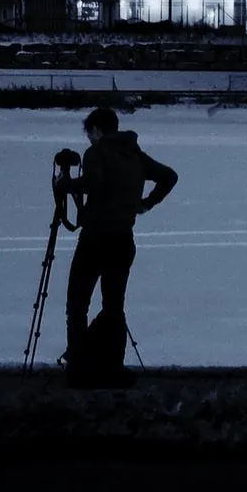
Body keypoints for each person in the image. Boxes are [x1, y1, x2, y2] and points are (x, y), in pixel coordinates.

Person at [63, 106, 177, 385]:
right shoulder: (134, 153)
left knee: (77, 304)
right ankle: (113, 367)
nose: (89, 139)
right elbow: (169, 176)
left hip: (95, 239)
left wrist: (66, 186)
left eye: (89, 133)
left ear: (97, 130)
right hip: (123, 239)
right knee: (114, 305)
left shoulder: (96, 152)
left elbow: (93, 182)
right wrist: (146, 204)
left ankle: (79, 367)